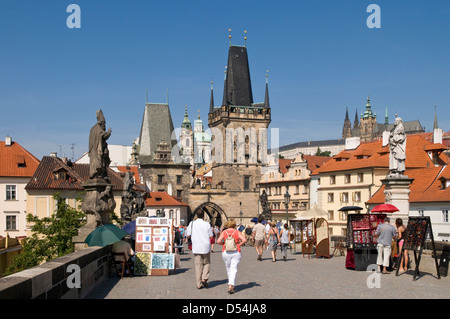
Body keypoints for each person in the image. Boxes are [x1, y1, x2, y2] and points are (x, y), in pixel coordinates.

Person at [216, 219, 247, 294]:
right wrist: (239, 244)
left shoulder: (224, 232)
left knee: (228, 268)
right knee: (234, 268)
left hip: (226, 251)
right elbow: (244, 240)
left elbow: (218, 241)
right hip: (236, 251)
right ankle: (231, 285)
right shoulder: (237, 232)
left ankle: (230, 283)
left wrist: (223, 244)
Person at [186, 211, 214, 289]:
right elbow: (211, 236)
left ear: (196, 215)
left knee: (198, 265)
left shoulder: (192, 224)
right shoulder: (207, 224)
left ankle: (198, 284)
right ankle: (204, 278)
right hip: (205, 247)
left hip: (196, 247)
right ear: (203, 216)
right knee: (207, 263)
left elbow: (188, 235)